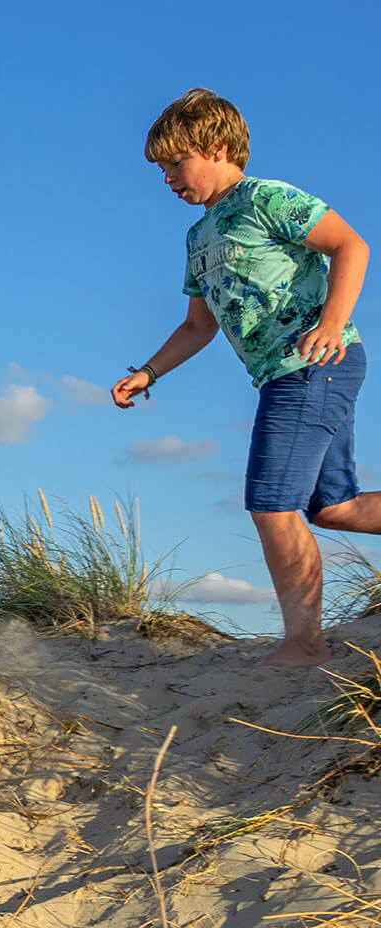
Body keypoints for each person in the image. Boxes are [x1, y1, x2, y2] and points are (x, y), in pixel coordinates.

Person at [112, 89, 370, 667]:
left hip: (310, 364)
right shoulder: (198, 237)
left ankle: (305, 644)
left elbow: (351, 245)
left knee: (271, 502)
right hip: (289, 374)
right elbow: (197, 326)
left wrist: (330, 323)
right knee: (335, 508)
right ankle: (305, 639)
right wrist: (148, 373)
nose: (168, 179)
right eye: (162, 169)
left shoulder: (266, 198)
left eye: (176, 163)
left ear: (219, 148)